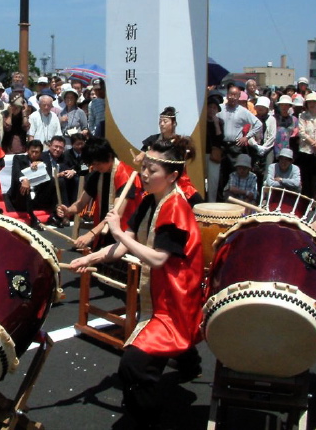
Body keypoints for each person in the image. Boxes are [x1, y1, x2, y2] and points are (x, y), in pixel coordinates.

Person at [68, 138, 204, 429]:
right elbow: (122, 247)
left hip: (174, 301)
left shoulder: (177, 209)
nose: (143, 174)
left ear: (172, 176)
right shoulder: (149, 201)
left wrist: (117, 231)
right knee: (150, 360)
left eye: (151, 170)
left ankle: (148, 421)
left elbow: (156, 259)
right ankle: (188, 362)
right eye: (144, 167)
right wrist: (90, 259)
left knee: (133, 365)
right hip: (158, 295)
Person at [57, 137, 143, 249]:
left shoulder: (125, 175)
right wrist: (68, 210)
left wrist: (90, 234)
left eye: (97, 163)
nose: (95, 167)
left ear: (108, 156)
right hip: (102, 230)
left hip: (124, 233)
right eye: (93, 164)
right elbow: (81, 203)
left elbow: (117, 215)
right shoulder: (96, 174)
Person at [216, 85, 262, 201]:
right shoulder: (220, 108)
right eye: (230, 94)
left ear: (238, 97)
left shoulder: (243, 111)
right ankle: (221, 200)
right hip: (221, 146)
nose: (232, 97)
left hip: (235, 147)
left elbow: (258, 124)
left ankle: (235, 200)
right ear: (227, 95)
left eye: (235, 95)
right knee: (221, 175)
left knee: (235, 174)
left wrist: (247, 137)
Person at [8, 140, 54, 227]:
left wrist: (41, 166)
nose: (34, 154)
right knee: (23, 184)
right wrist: (24, 179)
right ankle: (32, 217)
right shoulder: (18, 158)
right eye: (32, 151)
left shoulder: (44, 160)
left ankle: (55, 213)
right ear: (27, 150)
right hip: (21, 197)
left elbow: (49, 177)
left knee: (55, 182)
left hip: (38, 196)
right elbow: (16, 173)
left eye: (37, 152)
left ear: (40, 153)